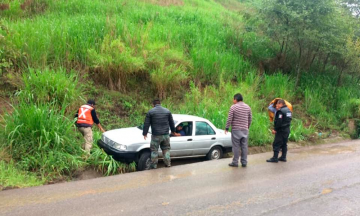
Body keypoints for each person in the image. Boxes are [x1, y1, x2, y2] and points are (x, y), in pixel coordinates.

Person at [142, 99, 176, 169]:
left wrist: (145, 133)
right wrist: (173, 131)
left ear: (153, 104)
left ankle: (154, 166)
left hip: (156, 135)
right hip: (166, 135)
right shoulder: (167, 111)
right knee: (166, 149)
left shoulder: (150, 112)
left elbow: (146, 124)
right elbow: (171, 122)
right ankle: (168, 164)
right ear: (160, 104)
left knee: (154, 151)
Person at [225, 93, 252, 168]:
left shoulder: (233, 107)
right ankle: (244, 162)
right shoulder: (248, 107)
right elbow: (250, 118)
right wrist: (247, 127)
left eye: (233, 99)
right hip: (245, 130)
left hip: (236, 130)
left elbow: (229, 118)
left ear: (235, 99)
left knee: (236, 147)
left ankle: (235, 162)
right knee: (244, 146)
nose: (233, 101)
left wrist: (227, 128)